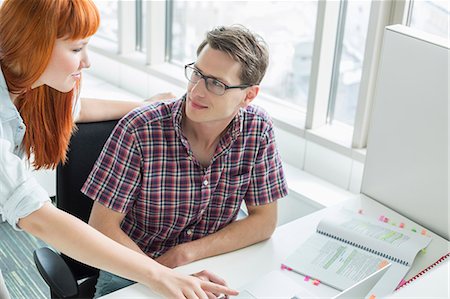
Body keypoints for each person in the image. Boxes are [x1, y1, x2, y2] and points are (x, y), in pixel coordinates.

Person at [0, 1, 238, 298]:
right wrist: (160, 276)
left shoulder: (28, 83)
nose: (86, 62)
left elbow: (78, 109)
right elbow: (36, 215)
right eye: (76, 50)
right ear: (31, 43)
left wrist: (141, 106)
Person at [83, 25, 288, 297]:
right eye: (197, 74)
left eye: (216, 83)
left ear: (248, 95)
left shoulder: (257, 129)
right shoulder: (140, 129)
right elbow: (101, 227)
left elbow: (264, 221)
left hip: (209, 266)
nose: (197, 91)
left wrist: (185, 254)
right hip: (133, 271)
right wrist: (165, 275)